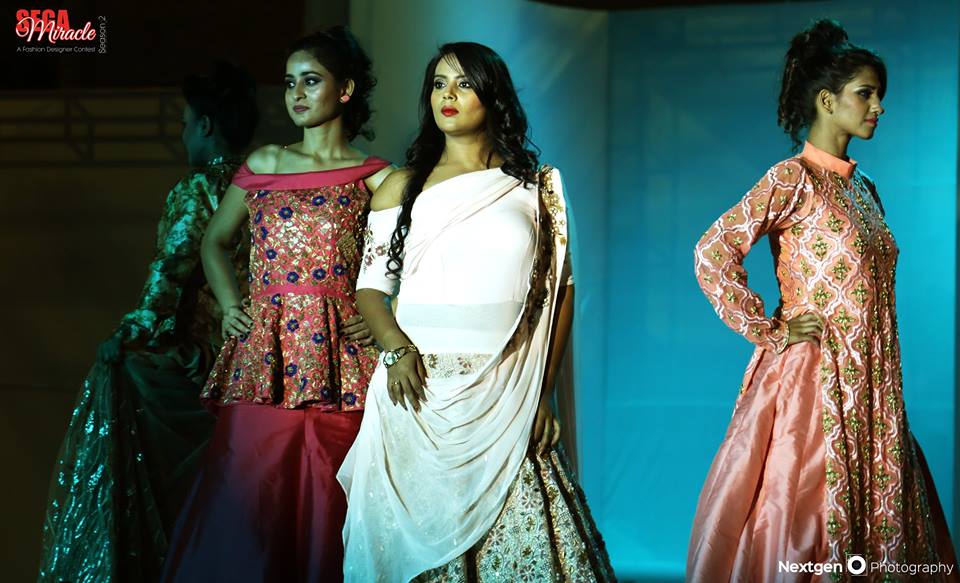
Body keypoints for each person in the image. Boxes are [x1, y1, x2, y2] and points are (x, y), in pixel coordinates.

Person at [687, 19, 958, 582]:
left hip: (875, 383)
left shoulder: (864, 188)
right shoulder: (792, 178)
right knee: (805, 515)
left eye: (879, 95)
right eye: (866, 93)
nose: (878, 106)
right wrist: (769, 328)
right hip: (815, 380)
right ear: (827, 100)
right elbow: (713, 250)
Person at [337, 42, 615, 583]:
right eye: (439, 84)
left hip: (507, 389)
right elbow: (371, 290)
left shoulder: (537, 189)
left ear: (494, 96)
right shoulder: (402, 185)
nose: (449, 95)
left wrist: (543, 393)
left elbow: (560, 296)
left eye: (464, 84)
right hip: (418, 392)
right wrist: (395, 350)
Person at [161, 26, 392, 583]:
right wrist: (229, 305)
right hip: (264, 354)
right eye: (289, 83)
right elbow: (214, 242)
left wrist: (385, 314)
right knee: (247, 494)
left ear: (345, 90)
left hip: (341, 361)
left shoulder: (376, 176)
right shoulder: (265, 161)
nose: (296, 94)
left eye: (310, 81)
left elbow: (408, 258)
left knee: (330, 496)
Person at [38, 61, 258, 583]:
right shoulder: (265, 187)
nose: (182, 135)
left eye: (185, 124)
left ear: (206, 125)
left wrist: (127, 333)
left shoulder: (198, 189)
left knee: (161, 496)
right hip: (251, 364)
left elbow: (171, 272)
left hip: (197, 367)